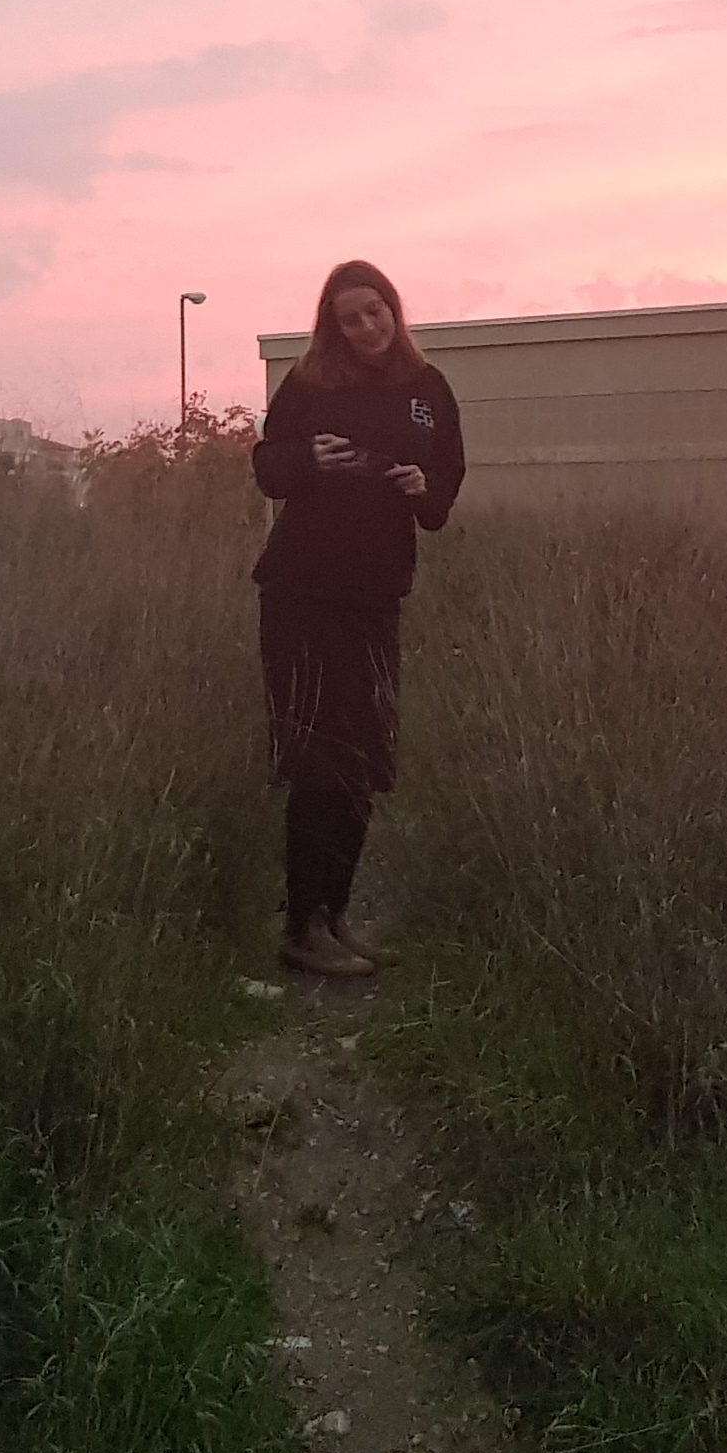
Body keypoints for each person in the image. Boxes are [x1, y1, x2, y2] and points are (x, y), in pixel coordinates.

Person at [249, 257, 466, 976]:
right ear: (332, 326)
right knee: (317, 757)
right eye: (352, 318)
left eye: (377, 311)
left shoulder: (428, 390)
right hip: (302, 594)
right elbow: (269, 467)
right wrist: (310, 458)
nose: (369, 327)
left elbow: (443, 495)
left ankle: (335, 916)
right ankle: (301, 928)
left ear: (394, 310)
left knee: (364, 760)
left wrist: (420, 485)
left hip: (375, 596)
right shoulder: (310, 383)